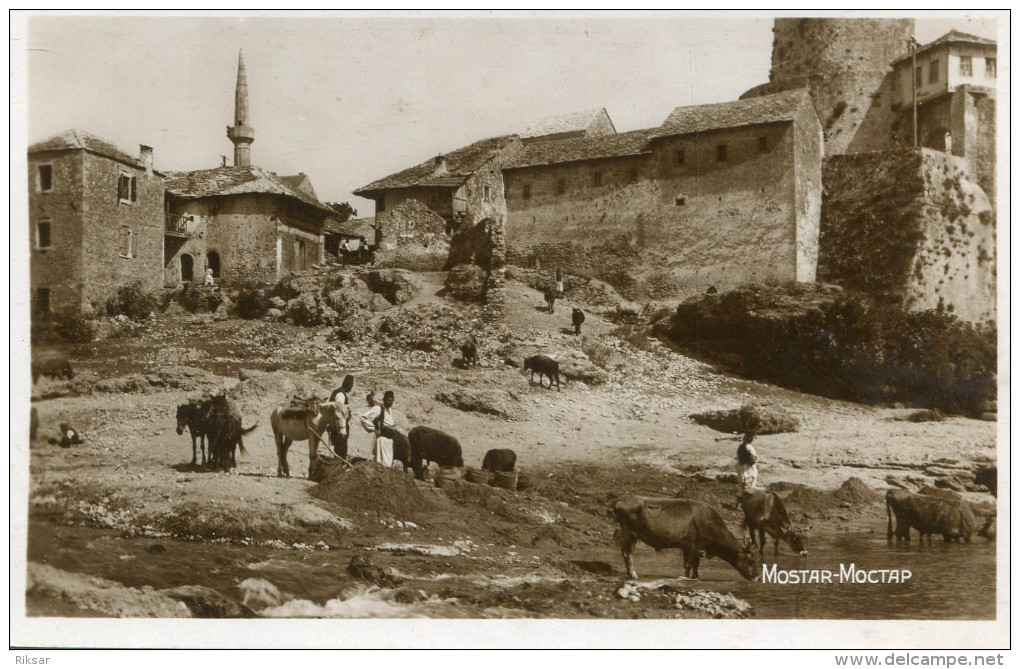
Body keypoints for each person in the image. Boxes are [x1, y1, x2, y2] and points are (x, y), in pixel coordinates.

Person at [360, 390, 396, 467]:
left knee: (388, 464)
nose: (390, 402)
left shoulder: (390, 410)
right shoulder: (378, 408)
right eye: (388, 400)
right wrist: (374, 429)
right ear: (384, 400)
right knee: (381, 463)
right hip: (382, 440)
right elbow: (363, 417)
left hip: (389, 441)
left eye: (391, 401)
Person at [327, 375, 354, 458]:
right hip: (339, 427)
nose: (351, 388)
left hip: (338, 426)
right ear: (348, 384)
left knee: (338, 449)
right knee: (340, 450)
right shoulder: (341, 395)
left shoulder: (338, 393)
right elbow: (339, 412)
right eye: (351, 385)